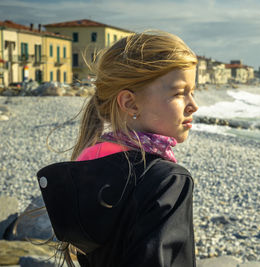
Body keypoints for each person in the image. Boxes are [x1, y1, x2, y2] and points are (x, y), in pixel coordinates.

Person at [37, 31, 199, 267]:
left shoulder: (83, 168)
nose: (193, 105)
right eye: (179, 93)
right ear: (129, 102)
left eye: (192, 92)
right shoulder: (169, 181)